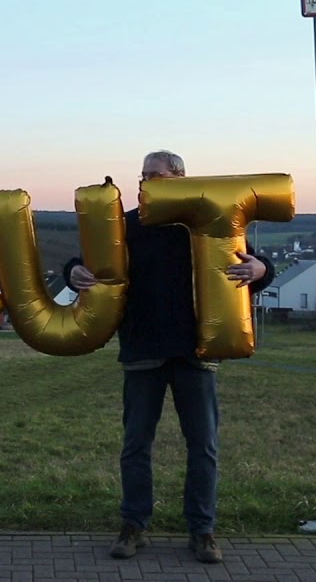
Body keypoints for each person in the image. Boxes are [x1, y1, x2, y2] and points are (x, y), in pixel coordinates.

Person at [65, 150, 273, 564]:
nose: (146, 182)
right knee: (135, 445)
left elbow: (253, 262)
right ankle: (133, 525)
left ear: (179, 178)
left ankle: (202, 531)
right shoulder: (128, 224)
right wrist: (73, 271)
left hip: (195, 352)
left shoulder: (205, 220)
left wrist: (262, 270)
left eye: (155, 175)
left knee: (203, 446)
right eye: (142, 175)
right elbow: (85, 261)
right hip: (142, 349)